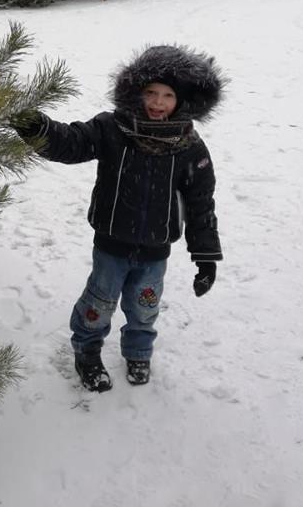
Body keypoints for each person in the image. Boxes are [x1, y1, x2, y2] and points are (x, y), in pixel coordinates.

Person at [12, 45, 225, 392]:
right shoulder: (113, 128)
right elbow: (72, 142)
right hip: (112, 243)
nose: (157, 103)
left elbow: (201, 203)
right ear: (135, 92)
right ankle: (87, 350)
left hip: (156, 251)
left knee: (145, 308)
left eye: (168, 95)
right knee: (99, 303)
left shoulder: (189, 146)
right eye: (150, 93)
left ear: (183, 100)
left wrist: (205, 255)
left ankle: (139, 352)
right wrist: (38, 129)